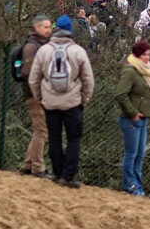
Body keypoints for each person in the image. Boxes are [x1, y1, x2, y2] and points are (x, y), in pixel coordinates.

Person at [29, 14, 94, 187]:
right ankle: (68, 175)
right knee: (74, 138)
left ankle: (58, 173)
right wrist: (83, 100)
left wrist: (41, 97)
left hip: (49, 101)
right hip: (72, 102)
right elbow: (88, 80)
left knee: (54, 137)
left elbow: (34, 78)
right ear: (70, 31)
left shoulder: (44, 50)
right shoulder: (78, 51)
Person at [116, 41, 150, 196]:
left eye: (149, 55)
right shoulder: (130, 71)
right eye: (144, 55)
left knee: (140, 154)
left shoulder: (147, 71)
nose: (147, 58)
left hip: (144, 118)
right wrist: (133, 112)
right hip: (131, 119)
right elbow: (121, 94)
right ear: (137, 55)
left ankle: (138, 186)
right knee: (131, 154)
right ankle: (130, 185)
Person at [18, 14, 52, 177]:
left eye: (49, 27)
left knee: (40, 130)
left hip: (39, 93)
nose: (49, 30)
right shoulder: (32, 47)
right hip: (36, 95)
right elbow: (28, 73)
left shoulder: (41, 45)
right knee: (42, 131)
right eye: (45, 27)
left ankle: (28, 164)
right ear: (37, 27)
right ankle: (38, 167)